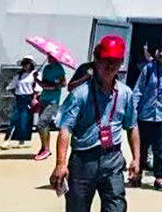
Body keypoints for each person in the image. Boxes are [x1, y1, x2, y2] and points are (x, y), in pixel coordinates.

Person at [51, 35, 140, 212]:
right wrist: (61, 164)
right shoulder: (80, 95)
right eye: (106, 60)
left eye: (115, 61)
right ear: (96, 61)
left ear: (121, 63)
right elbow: (65, 129)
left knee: (116, 207)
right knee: (77, 207)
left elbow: (132, 127)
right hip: (84, 160)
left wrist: (136, 159)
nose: (110, 66)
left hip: (112, 159)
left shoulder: (125, 94)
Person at [131, 41, 162, 191]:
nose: (161, 53)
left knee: (161, 148)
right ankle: (138, 173)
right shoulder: (148, 69)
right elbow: (138, 90)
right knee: (142, 146)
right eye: (159, 50)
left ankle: (159, 177)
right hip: (145, 114)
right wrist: (133, 111)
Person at [36, 53, 67, 161]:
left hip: (53, 101)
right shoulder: (46, 68)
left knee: (41, 123)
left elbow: (64, 83)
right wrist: (36, 79)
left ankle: (46, 150)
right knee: (44, 126)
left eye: (51, 56)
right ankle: (44, 147)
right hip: (43, 99)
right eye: (48, 56)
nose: (48, 58)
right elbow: (43, 84)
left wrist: (53, 86)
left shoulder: (59, 68)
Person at [4, 56, 38, 147]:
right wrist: (16, 94)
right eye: (24, 63)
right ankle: (7, 139)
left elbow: (37, 88)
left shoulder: (35, 74)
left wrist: (34, 98)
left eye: (27, 63)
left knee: (25, 119)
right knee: (14, 119)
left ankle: (22, 140)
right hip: (19, 98)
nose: (25, 65)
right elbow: (10, 87)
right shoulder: (18, 76)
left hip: (28, 98)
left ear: (31, 64)